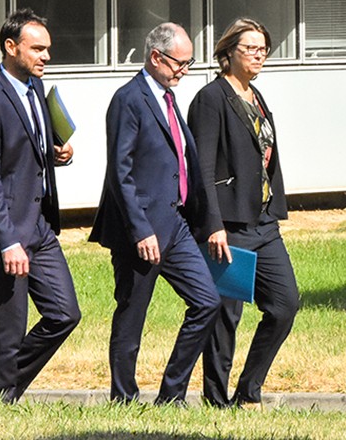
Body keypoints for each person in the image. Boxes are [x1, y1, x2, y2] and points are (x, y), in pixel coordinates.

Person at [88, 23, 221, 405]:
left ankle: (172, 394)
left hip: (175, 224)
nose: (185, 70)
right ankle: (124, 397)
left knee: (206, 301)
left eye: (189, 63)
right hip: (141, 230)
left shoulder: (168, 97)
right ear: (156, 57)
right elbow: (120, 171)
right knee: (132, 315)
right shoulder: (129, 99)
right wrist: (139, 229)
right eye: (180, 63)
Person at [0, 8, 81, 404]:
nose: (45, 56)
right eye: (37, 49)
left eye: (48, 49)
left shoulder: (35, 90)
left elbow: (26, 151)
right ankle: (0, 400)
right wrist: (8, 241)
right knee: (10, 326)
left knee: (65, 314)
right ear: (10, 47)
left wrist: (54, 154)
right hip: (7, 233)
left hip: (40, 227)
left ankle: (1, 390)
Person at [187, 18, 300, 409]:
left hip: (263, 223)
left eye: (263, 48)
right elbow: (200, 167)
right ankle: (216, 400)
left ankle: (248, 390)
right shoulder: (211, 98)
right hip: (229, 226)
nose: (258, 54)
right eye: (250, 48)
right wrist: (212, 224)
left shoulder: (256, 96)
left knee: (285, 304)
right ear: (228, 52)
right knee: (225, 316)